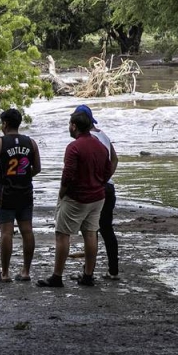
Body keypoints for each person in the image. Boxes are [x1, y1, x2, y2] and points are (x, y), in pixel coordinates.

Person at [37, 108, 112, 287]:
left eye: (70, 124)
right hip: (97, 196)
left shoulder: (74, 147)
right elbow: (108, 168)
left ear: (75, 126)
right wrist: (99, 183)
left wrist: (62, 193)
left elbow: (68, 175)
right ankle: (88, 275)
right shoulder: (100, 145)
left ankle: (57, 276)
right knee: (91, 234)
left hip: (77, 197)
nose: (69, 127)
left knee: (62, 234)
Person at [0, 108, 41, 282]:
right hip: (25, 192)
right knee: (27, 230)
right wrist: (23, 177)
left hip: (5, 193)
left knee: (6, 233)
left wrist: (1, 179)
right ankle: (25, 271)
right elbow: (37, 169)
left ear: (5, 124)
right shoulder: (31, 143)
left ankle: (5, 273)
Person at [77, 105, 120, 280]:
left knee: (90, 230)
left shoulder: (86, 139)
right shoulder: (103, 135)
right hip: (108, 186)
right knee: (107, 229)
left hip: (94, 189)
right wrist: (106, 176)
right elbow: (115, 159)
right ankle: (113, 270)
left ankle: (89, 271)